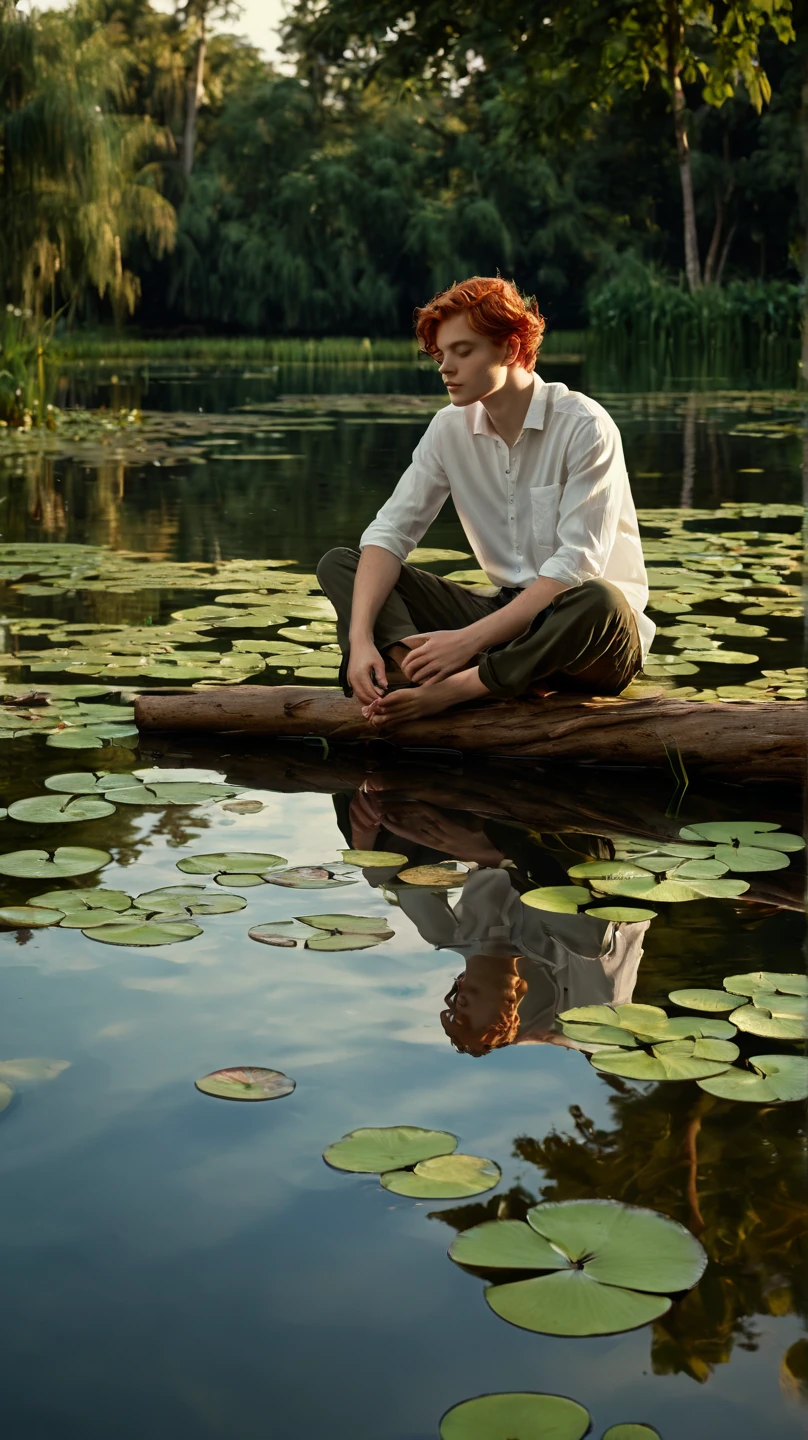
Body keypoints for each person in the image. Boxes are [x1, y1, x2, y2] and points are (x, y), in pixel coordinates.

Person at [316, 275, 654, 729]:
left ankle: (456, 687)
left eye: (463, 351)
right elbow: (389, 533)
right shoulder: (448, 428)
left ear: (511, 349)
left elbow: (575, 569)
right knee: (343, 564)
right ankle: (402, 666)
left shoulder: (585, 426)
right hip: (504, 619)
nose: (444, 368)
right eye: (440, 354)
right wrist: (361, 642)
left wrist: (464, 641)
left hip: (590, 638)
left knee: (601, 599)